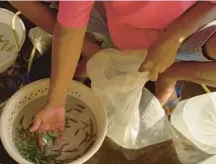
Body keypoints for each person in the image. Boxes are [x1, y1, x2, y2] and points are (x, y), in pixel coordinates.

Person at [26, 1, 215, 143]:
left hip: (193, 24)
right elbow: (69, 30)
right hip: (127, 29)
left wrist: (174, 37)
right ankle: (104, 55)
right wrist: (56, 101)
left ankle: (171, 73)